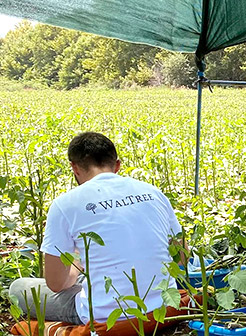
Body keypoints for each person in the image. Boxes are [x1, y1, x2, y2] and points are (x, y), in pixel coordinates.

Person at [9, 132, 183, 325]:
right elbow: (181, 257)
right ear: (117, 165)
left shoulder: (65, 205)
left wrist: (77, 260)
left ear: (74, 167)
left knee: (18, 288)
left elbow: (57, 284)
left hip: (103, 314)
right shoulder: (153, 192)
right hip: (164, 304)